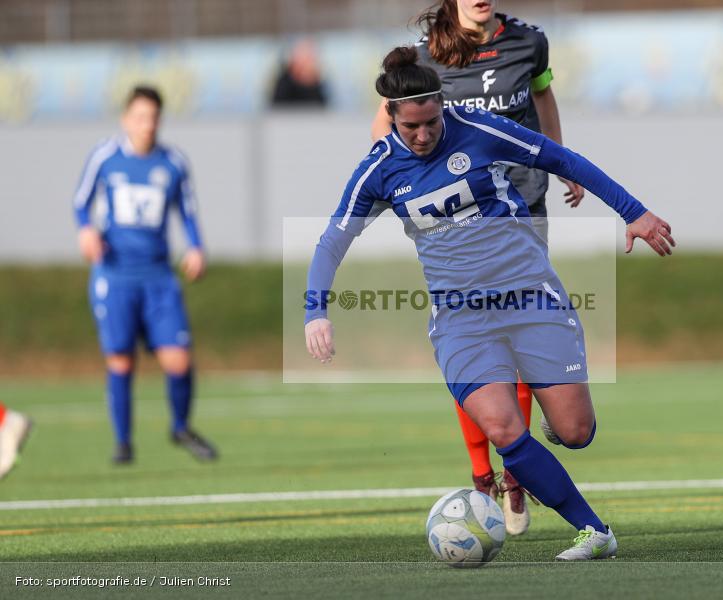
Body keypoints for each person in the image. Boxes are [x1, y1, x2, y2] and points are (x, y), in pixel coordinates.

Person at [305, 48, 674, 560]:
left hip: (530, 296)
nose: (423, 135)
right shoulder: (379, 171)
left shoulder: (478, 128)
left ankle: (557, 422)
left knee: (576, 432)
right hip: (461, 319)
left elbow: (560, 159)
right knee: (503, 428)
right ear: (390, 116)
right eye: (411, 126)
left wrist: (634, 212)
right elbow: (333, 240)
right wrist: (315, 312)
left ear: (441, 106)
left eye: (431, 122)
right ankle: (595, 531)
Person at [370, 0, 583, 535]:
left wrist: (561, 160)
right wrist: (402, 183)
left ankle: (514, 473)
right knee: (473, 345)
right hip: (455, 217)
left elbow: (542, 96)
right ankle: (482, 472)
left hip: (522, 204)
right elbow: (383, 130)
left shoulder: (529, 41)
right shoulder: (422, 58)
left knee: (520, 336)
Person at [72, 85, 217, 465]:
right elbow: (80, 202)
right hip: (115, 274)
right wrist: (86, 230)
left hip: (158, 276)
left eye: (153, 117)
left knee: (178, 359)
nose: (147, 124)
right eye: (140, 117)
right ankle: (123, 443)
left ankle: (181, 427)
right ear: (126, 119)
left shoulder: (173, 162)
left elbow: (188, 211)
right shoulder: (105, 156)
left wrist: (196, 246)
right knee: (121, 360)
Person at [271, 40, 328, 107]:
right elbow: (277, 105)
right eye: (304, 55)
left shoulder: (318, 82)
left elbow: (322, 106)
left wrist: (310, 83)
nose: (307, 60)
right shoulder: (284, 81)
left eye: (310, 56)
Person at [0, 403, 32, 479]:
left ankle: (20, 424)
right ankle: (20, 423)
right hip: (9, 420)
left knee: (5, 461)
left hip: (5, 423)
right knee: (6, 461)